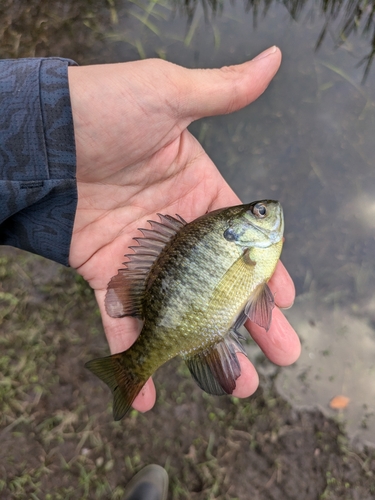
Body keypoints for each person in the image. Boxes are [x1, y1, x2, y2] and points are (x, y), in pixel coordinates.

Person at [0, 47, 300, 499]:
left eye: (260, 211)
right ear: (240, 232)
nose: (268, 212)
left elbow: (249, 291)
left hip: (185, 317)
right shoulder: (247, 252)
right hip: (182, 316)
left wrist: (50, 115)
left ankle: (136, 370)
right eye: (258, 212)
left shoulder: (246, 251)